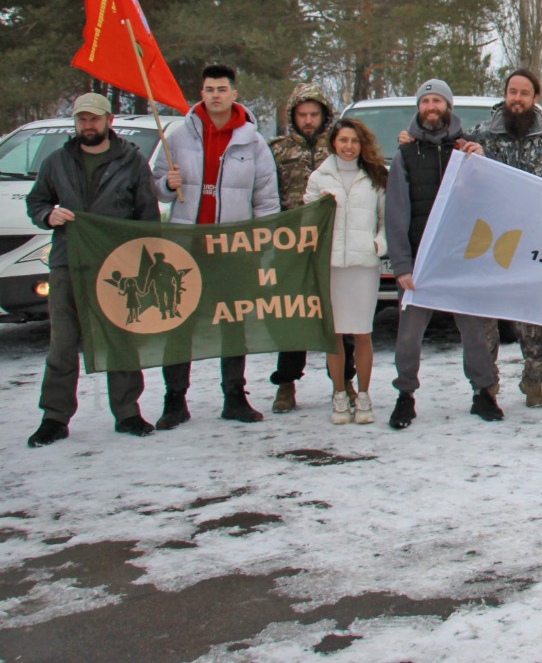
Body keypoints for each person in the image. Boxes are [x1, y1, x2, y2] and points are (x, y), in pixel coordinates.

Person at [25, 94, 161, 446]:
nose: (88, 125)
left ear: (109, 121)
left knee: (120, 340)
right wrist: (47, 215)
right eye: (82, 119)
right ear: (76, 122)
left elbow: (147, 216)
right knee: (62, 344)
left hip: (118, 267)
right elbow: (36, 201)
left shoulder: (131, 162)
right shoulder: (57, 162)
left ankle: (128, 411)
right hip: (68, 264)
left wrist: (144, 261)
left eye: (94, 119)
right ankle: (54, 417)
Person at [152, 64, 280, 427]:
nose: (215, 95)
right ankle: (175, 400)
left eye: (222, 89)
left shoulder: (252, 141)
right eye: (209, 89)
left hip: (233, 247)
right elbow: (156, 184)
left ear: (234, 94)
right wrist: (165, 183)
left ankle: (235, 397)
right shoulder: (178, 135)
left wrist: (260, 244)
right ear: (202, 92)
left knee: (233, 323)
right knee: (180, 324)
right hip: (186, 244)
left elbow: (266, 200)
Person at [386, 79, 502, 428]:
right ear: (418, 108)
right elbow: (395, 213)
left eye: (438, 100)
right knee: (408, 338)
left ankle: (483, 393)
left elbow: (490, 199)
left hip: (461, 259)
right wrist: (403, 264)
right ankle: (405, 396)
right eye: (425, 101)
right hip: (420, 262)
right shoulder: (404, 156)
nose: (431, 107)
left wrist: (484, 161)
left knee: (475, 334)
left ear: (448, 107)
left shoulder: (468, 151)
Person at [465, 69, 542, 409]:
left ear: (535, 98)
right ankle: (487, 384)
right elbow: (446, 150)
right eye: (512, 92)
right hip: (490, 240)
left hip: (532, 242)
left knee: (532, 321)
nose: (516, 98)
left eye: (524, 93)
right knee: (486, 320)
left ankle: (533, 382)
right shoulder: (482, 135)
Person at [266, 82, 349, 414]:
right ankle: (286, 383)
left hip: (332, 242)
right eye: (302, 114)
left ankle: (344, 382)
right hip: (292, 244)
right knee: (293, 315)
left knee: (337, 317)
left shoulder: (339, 147)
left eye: (314, 114)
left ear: (324, 115)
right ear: (293, 116)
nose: (309, 120)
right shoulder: (277, 150)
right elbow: (267, 197)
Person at [303, 118, 387, 425]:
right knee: (335, 334)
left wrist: (378, 244)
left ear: (361, 144)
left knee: (362, 333)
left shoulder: (376, 176)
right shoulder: (319, 178)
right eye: (343, 141)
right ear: (333, 144)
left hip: (363, 265)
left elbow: (385, 220)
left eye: (354, 141)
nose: (348, 147)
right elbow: (307, 220)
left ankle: (363, 395)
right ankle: (339, 393)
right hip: (332, 267)